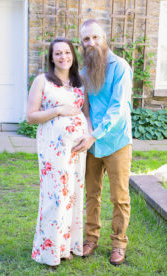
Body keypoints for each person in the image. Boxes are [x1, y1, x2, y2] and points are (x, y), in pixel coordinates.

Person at [72, 19, 133, 265]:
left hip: (116, 141)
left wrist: (94, 135)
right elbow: (85, 109)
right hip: (92, 143)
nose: (91, 43)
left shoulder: (120, 67)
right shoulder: (84, 73)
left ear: (104, 37)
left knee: (119, 196)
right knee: (92, 194)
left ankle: (119, 243)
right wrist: (88, 132)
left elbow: (118, 108)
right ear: (82, 44)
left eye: (95, 37)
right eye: (86, 39)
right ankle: (90, 238)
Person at [27, 38, 92, 266]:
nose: (63, 57)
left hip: (77, 150)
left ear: (73, 55)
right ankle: (49, 251)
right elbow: (31, 116)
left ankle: (66, 246)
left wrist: (89, 136)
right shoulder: (42, 81)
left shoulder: (79, 82)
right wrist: (58, 110)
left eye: (67, 52)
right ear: (51, 57)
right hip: (53, 150)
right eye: (58, 53)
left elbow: (86, 114)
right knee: (55, 197)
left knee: (72, 196)